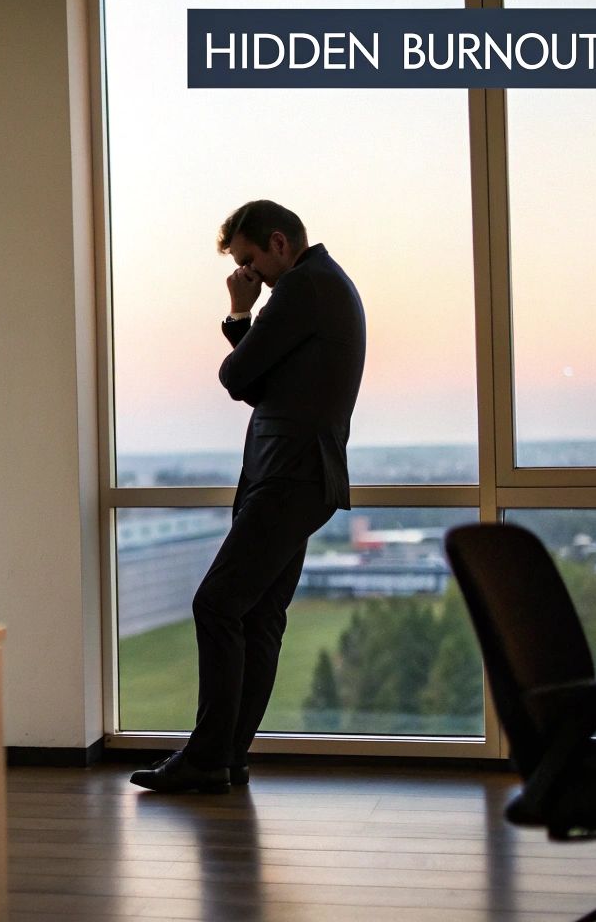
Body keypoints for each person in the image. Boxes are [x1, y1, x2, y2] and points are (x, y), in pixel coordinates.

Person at [131, 199, 366, 795]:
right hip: (301, 477)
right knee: (259, 616)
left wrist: (239, 311)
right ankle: (227, 756)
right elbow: (257, 384)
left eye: (250, 261)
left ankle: (209, 757)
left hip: (287, 476)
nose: (248, 275)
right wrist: (248, 325)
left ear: (279, 243)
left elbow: (237, 377)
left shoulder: (302, 289)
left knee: (218, 605)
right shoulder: (323, 286)